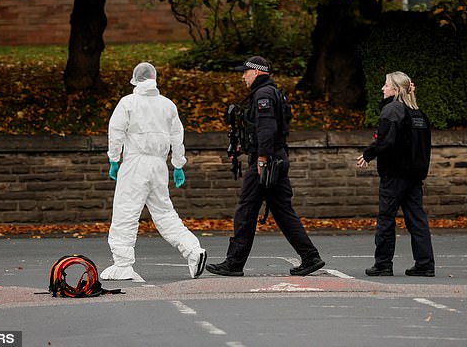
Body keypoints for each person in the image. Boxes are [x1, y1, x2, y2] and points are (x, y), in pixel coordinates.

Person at [206, 56, 325, 277]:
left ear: (257, 72)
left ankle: (234, 263)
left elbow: (267, 129)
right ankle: (310, 256)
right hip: (275, 159)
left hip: (267, 162)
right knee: (282, 212)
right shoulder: (271, 92)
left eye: (246, 72)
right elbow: (264, 128)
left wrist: (262, 157)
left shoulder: (263, 95)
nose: (243, 76)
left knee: (246, 210)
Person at [101, 62, 207, 281]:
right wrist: (178, 164)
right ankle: (193, 251)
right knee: (165, 213)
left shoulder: (128, 103)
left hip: (135, 163)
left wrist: (114, 159)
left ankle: (122, 264)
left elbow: (116, 130)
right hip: (159, 166)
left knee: (125, 212)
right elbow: (177, 137)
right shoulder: (167, 105)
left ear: (135, 79)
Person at [356, 71, 435, 277]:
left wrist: (368, 154)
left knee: (386, 219)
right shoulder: (418, 113)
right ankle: (425, 264)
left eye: (386, 85)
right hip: (415, 175)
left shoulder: (392, 110)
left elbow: (385, 140)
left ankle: (383, 264)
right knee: (417, 220)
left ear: (396, 89)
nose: (383, 88)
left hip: (394, 174)